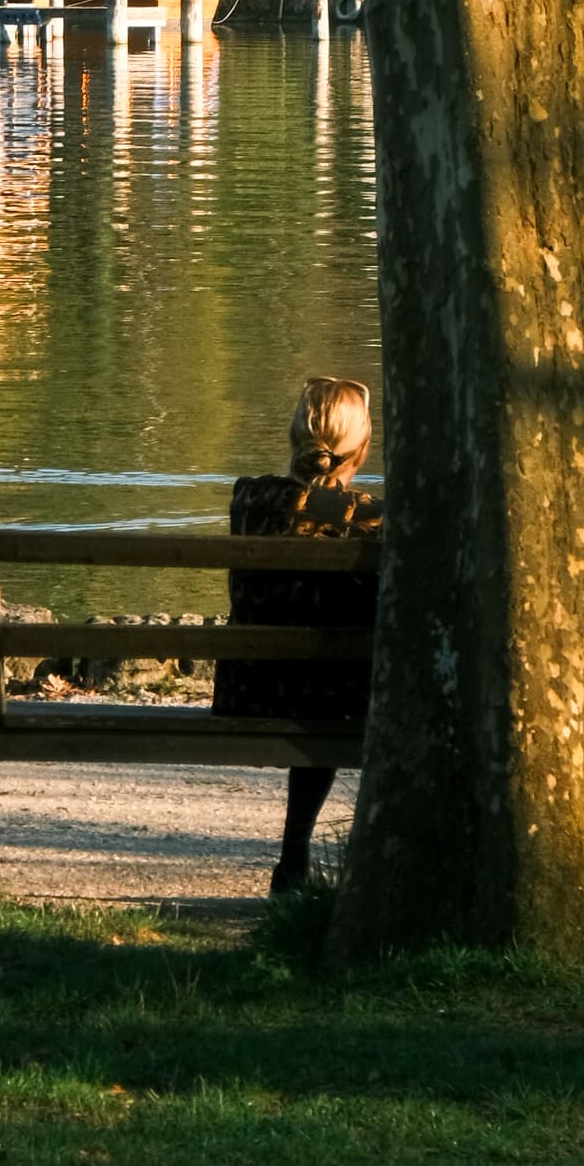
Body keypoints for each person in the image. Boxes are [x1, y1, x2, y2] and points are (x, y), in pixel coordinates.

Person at [214, 375, 383, 895]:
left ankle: (294, 860)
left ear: (295, 437)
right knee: (334, 680)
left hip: (246, 689)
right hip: (332, 699)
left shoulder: (248, 498)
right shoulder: (369, 518)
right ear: (361, 446)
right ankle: (297, 856)